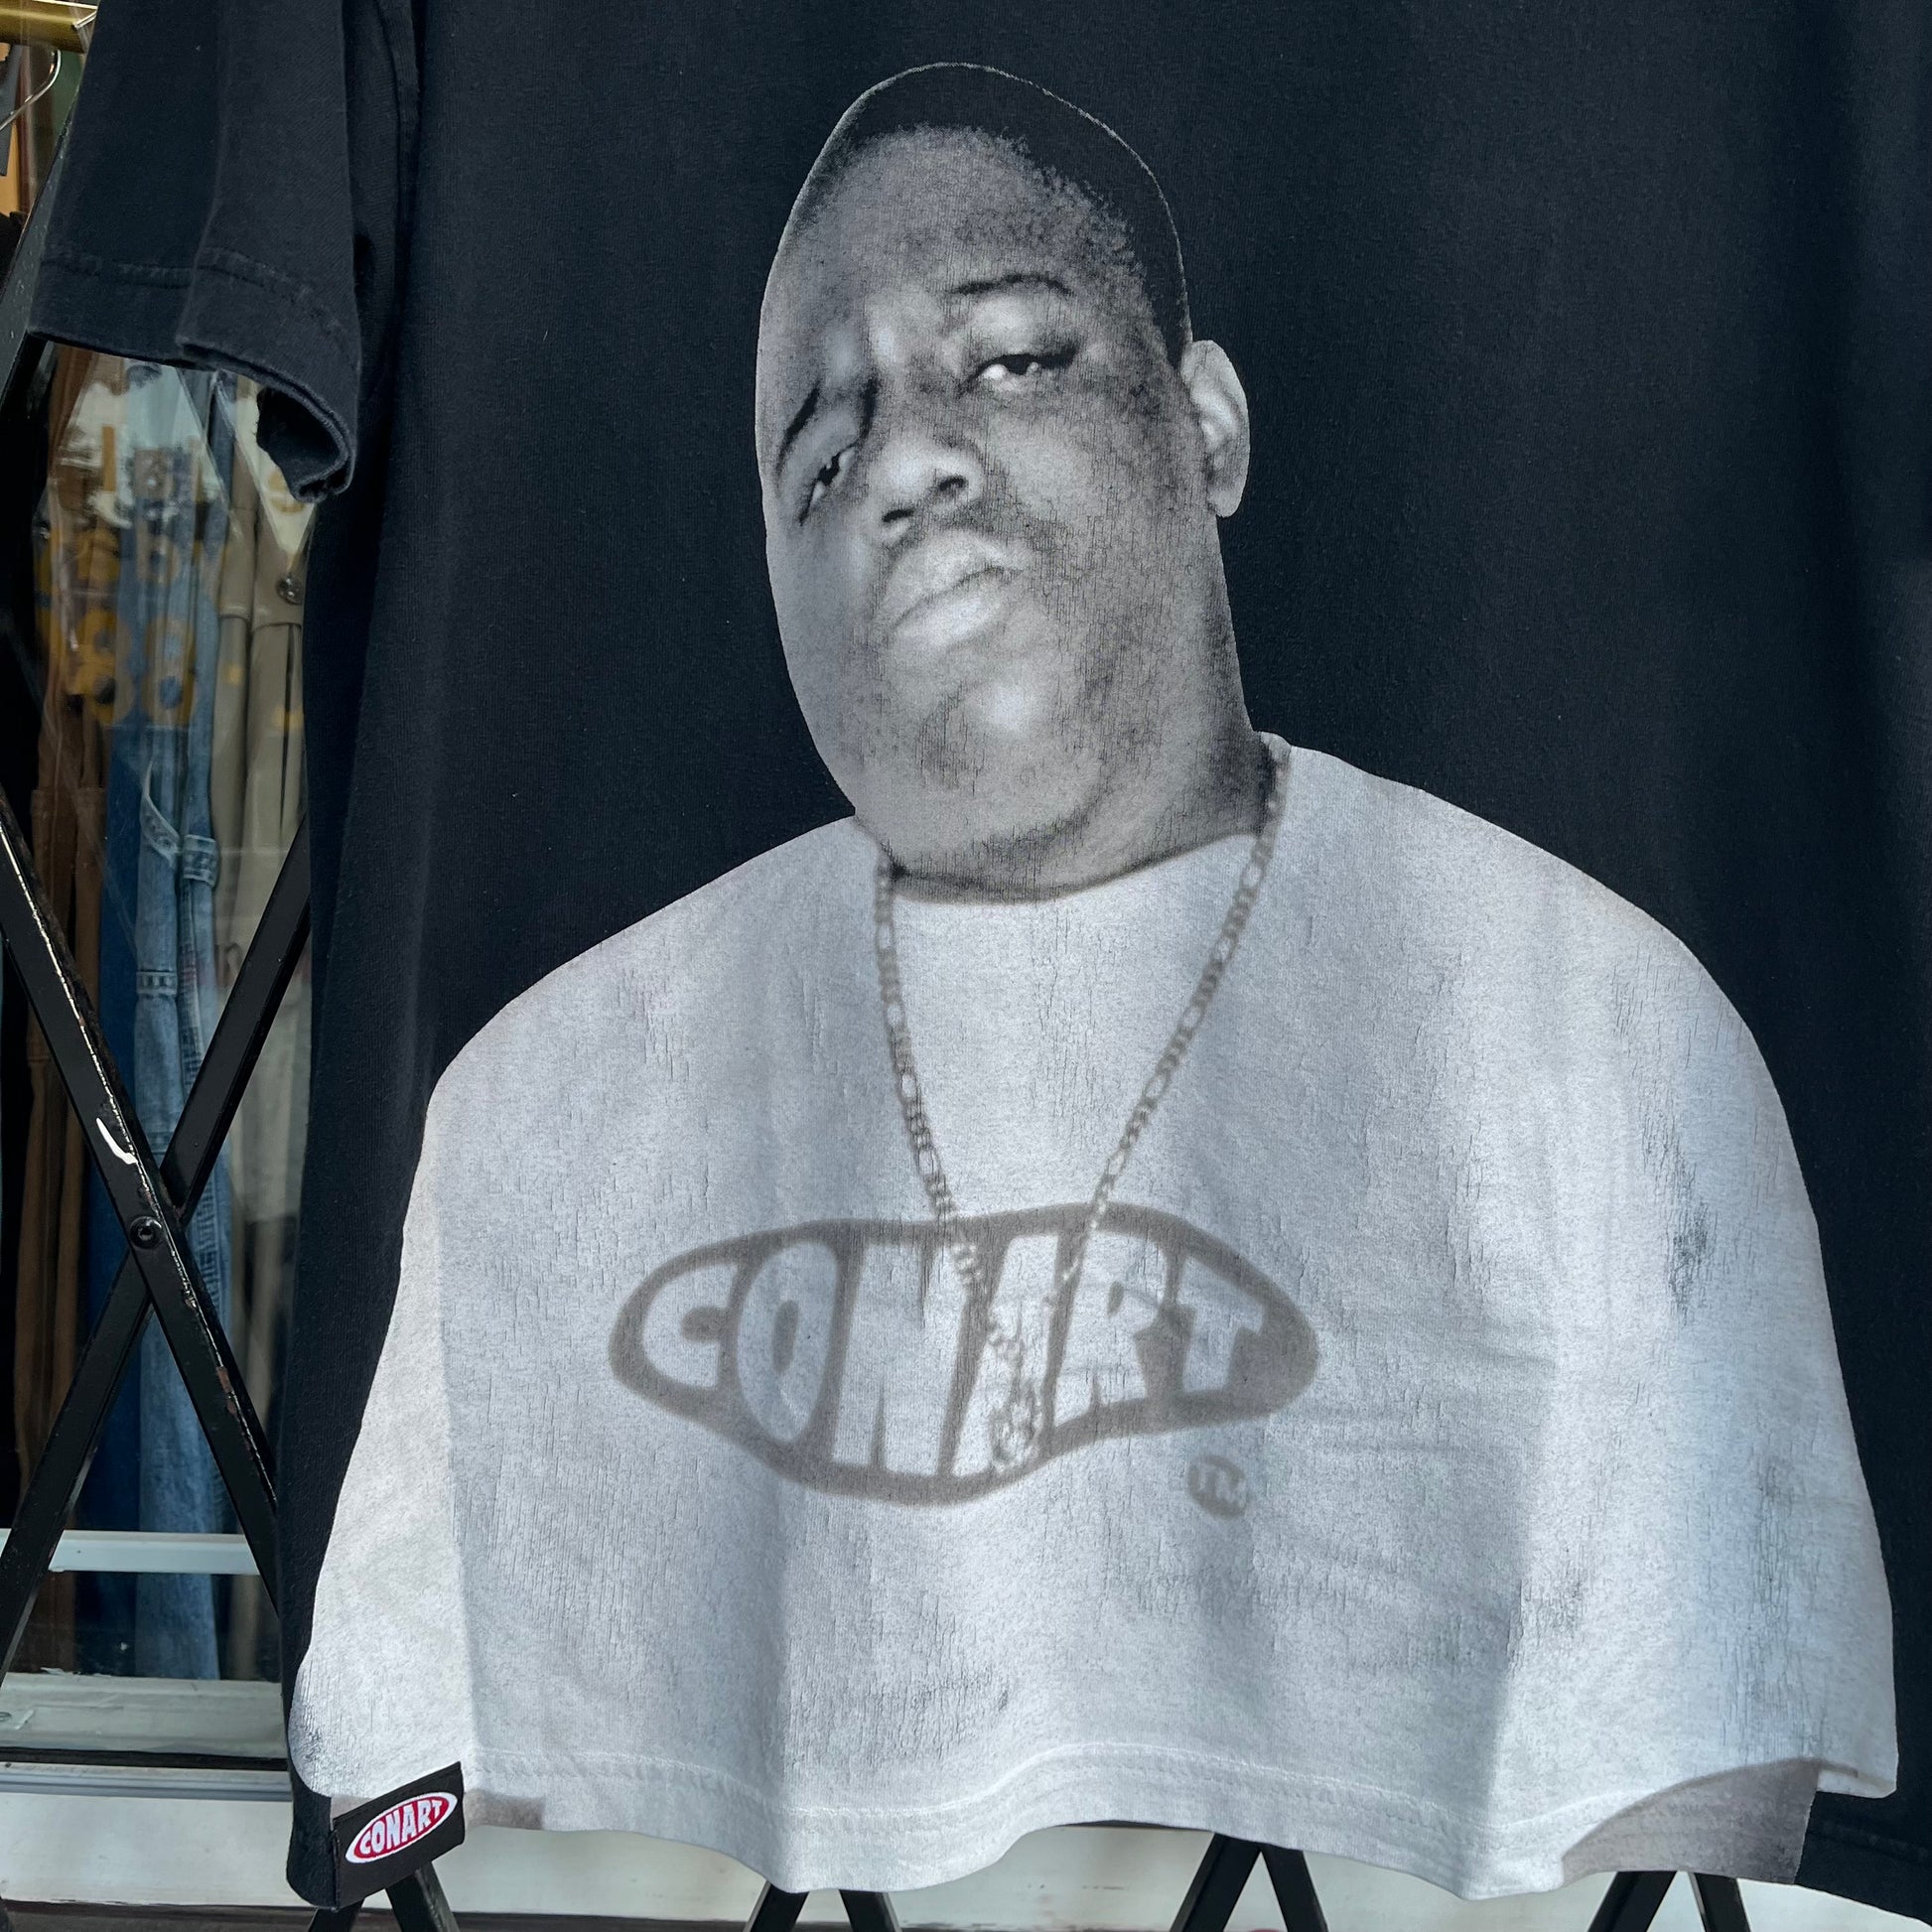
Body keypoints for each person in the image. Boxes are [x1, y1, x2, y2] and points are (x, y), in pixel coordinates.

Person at [287, 66, 1895, 1899]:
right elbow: (450, 1751)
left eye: (1007, 361)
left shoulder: (1603, 1032)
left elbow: (1701, 1770)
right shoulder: (546, 1104)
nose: (903, 460)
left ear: (1205, 428)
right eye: (821, 455)